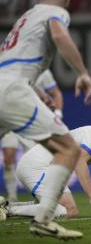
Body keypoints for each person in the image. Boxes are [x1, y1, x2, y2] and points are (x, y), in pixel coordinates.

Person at [0, 0, 91, 239]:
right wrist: (83, 73)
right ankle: (43, 218)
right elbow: (59, 35)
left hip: (5, 85)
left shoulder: (25, 17)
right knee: (68, 148)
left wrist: (37, 89)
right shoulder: (56, 12)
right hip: (12, 90)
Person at [1, 111, 91, 219]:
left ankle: (7, 206)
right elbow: (79, 161)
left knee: (68, 210)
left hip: (50, 168)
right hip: (38, 165)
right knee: (67, 210)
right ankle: (8, 211)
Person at [1, 69, 64, 203]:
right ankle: (12, 196)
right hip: (11, 120)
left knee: (33, 160)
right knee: (8, 157)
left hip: (30, 122)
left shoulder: (44, 72)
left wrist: (57, 113)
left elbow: (55, 93)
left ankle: (38, 195)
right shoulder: (11, 69)